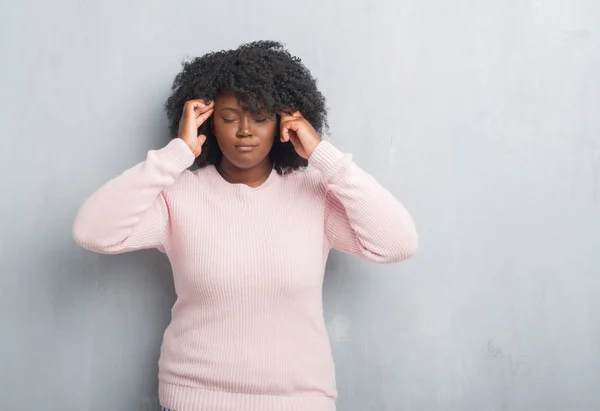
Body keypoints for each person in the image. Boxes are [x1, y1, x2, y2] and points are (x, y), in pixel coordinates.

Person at [73, 40, 418, 411]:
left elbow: (397, 242)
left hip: (299, 401)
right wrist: (177, 153)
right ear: (208, 121)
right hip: (194, 400)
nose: (244, 131)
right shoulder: (179, 196)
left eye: (259, 116)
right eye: (229, 117)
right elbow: (93, 231)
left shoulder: (315, 196)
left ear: (283, 124)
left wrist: (323, 156)